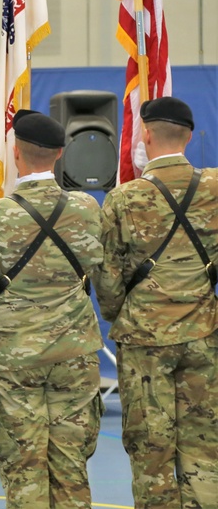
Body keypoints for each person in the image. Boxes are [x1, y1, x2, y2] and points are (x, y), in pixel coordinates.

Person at [0, 110, 104, 508]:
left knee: (23, 469)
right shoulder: (87, 208)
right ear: (59, 154)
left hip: (11, 357)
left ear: (16, 153)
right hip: (73, 352)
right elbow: (97, 266)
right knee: (72, 466)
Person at [98, 96, 218, 508]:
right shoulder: (216, 188)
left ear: (145, 134)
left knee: (152, 448)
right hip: (204, 331)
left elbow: (109, 279)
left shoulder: (123, 199)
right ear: (189, 136)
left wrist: (119, 312)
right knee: (205, 442)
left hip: (145, 338)